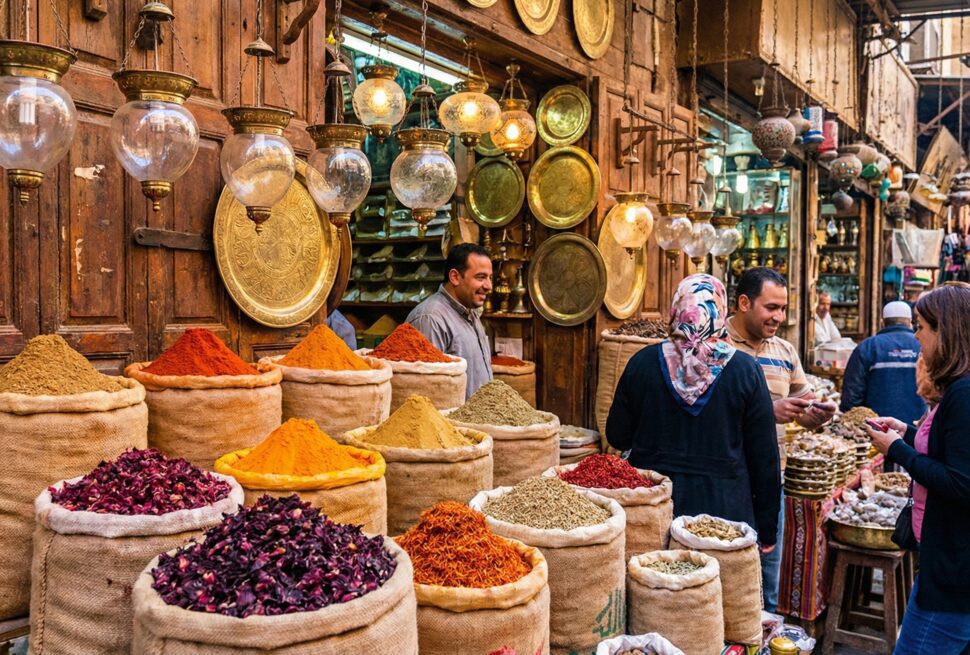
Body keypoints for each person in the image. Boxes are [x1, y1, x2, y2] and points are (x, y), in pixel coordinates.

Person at [607, 274, 781, 552]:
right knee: (717, 581)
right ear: (720, 311)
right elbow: (765, 458)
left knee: (649, 576)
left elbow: (617, 435)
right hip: (724, 518)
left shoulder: (641, 363)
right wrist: (768, 528)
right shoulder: (745, 371)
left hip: (653, 509)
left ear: (676, 309)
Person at [866, 284, 970, 654]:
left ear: (947, 332)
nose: (915, 337)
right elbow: (949, 451)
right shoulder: (958, 390)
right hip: (948, 564)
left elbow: (961, 483)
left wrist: (898, 451)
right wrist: (906, 434)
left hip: (954, 570)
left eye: (922, 327)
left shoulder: (963, 394)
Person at [726, 267, 837, 612]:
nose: (779, 317)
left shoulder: (785, 351)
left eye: (783, 308)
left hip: (772, 479)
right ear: (744, 303)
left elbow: (801, 407)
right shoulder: (717, 345)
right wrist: (768, 411)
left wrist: (816, 414)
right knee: (729, 572)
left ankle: (767, 630)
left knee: (766, 577)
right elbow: (705, 412)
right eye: (771, 307)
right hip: (727, 477)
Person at [407, 243, 493, 398]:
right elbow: (426, 392)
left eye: (490, 278)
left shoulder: (471, 312)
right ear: (455, 277)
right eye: (481, 277)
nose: (489, 286)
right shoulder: (430, 319)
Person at [840, 301, 923, 428]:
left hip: (878, 430)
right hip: (918, 429)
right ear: (910, 323)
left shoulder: (867, 347)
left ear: (882, 323)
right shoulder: (922, 345)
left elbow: (852, 395)